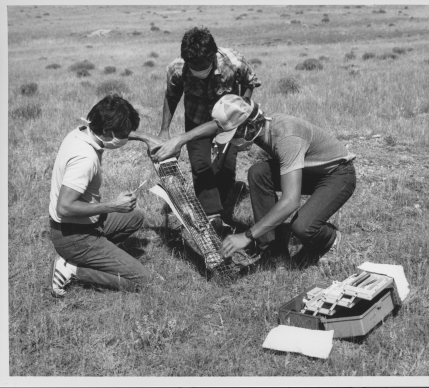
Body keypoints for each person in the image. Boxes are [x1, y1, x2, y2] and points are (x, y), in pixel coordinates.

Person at [153, 94, 356, 269]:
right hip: (309, 170)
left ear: (249, 127)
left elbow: (290, 202)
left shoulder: (286, 137)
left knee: (302, 227)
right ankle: (272, 250)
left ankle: (330, 238)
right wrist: (179, 140)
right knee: (258, 172)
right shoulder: (258, 125)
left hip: (337, 175)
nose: (229, 141)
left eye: (232, 136)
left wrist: (246, 236)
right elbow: (215, 127)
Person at [48, 94, 154, 298]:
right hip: (74, 236)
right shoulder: (85, 158)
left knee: (135, 218)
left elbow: (116, 133)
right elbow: (65, 207)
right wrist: (114, 205)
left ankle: (99, 255)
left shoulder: (82, 132)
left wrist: (145, 138)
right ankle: (71, 269)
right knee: (143, 281)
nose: (125, 138)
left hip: (75, 225)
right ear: (106, 130)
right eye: (123, 133)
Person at [159, 26, 261, 233]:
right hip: (196, 118)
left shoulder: (233, 62)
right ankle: (212, 217)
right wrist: (164, 130)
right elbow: (171, 96)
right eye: (192, 65)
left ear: (212, 56)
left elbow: (250, 81)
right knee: (200, 164)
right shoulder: (177, 69)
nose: (198, 69)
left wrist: (243, 105)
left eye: (202, 65)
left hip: (228, 121)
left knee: (225, 165)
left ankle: (223, 207)